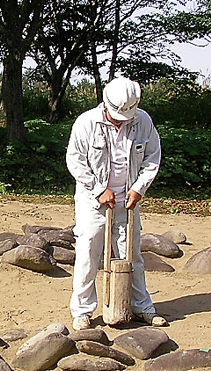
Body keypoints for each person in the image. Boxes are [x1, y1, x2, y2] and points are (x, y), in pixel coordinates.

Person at [66, 77, 167, 331]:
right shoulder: (86, 123)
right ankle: (83, 311)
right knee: (89, 252)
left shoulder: (143, 121)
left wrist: (138, 188)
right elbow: (75, 161)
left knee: (131, 254)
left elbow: (153, 157)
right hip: (93, 201)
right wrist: (99, 189)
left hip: (128, 201)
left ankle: (141, 306)